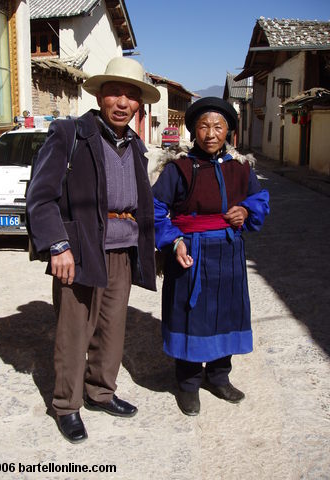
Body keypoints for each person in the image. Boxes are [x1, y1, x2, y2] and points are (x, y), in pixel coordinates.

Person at [26, 57, 160, 443]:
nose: (122, 102)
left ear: (139, 105)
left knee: (112, 329)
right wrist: (58, 245)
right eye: (115, 92)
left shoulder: (135, 144)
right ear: (100, 96)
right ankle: (66, 405)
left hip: (123, 250)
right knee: (74, 331)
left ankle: (101, 391)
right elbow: (40, 196)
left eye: (131, 95)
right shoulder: (70, 134)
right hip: (81, 250)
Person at [152, 97, 269, 416]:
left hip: (229, 254)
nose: (210, 133)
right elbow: (156, 209)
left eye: (218, 126)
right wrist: (173, 242)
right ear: (193, 130)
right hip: (189, 252)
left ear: (229, 131)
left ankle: (219, 377)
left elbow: (259, 200)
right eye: (203, 126)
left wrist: (245, 210)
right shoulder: (178, 169)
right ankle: (188, 384)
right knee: (189, 316)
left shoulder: (241, 167)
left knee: (225, 313)